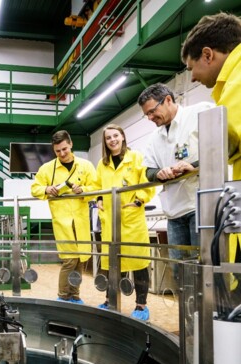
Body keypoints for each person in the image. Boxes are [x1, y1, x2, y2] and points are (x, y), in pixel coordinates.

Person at [137, 83, 214, 285]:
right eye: (146, 115)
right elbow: (148, 171)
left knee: (204, 269)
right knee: (179, 271)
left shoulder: (200, 113)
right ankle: (187, 307)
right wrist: (159, 173)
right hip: (174, 211)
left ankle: (208, 306)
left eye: (152, 111)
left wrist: (193, 166)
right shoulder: (155, 138)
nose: (150, 118)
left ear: (168, 100)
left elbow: (220, 148)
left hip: (201, 206)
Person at [181, 12, 241, 265]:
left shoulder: (237, 81)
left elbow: (229, 141)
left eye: (191, 68)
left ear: (207, 54)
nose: (193, 77)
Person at [93, 124, 155, 321]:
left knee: (138, 263)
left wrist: (139, 200)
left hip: (132, 219)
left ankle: (141, 305)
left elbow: (146, 182)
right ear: (105, 142)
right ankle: (110, 300)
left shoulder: (135, 157)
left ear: (122, 137)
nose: (112, 140)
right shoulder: (102, 164)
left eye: (115, 136)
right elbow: (96, 186)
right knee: (113, 263)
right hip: (110, 220)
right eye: (108, 138)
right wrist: (99, 200)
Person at [31, 130, 97, 304]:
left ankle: (75, 295)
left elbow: (96, 187)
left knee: (80, 259)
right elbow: (35, 188)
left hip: (81, 220)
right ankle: (63, 296)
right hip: (62, 221)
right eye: (57, 151)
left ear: (71, 144)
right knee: (70, 259)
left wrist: (83, 190)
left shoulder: (86, 166)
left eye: (64, 149)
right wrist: (47, 189)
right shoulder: (47, 168)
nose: (61, 153)